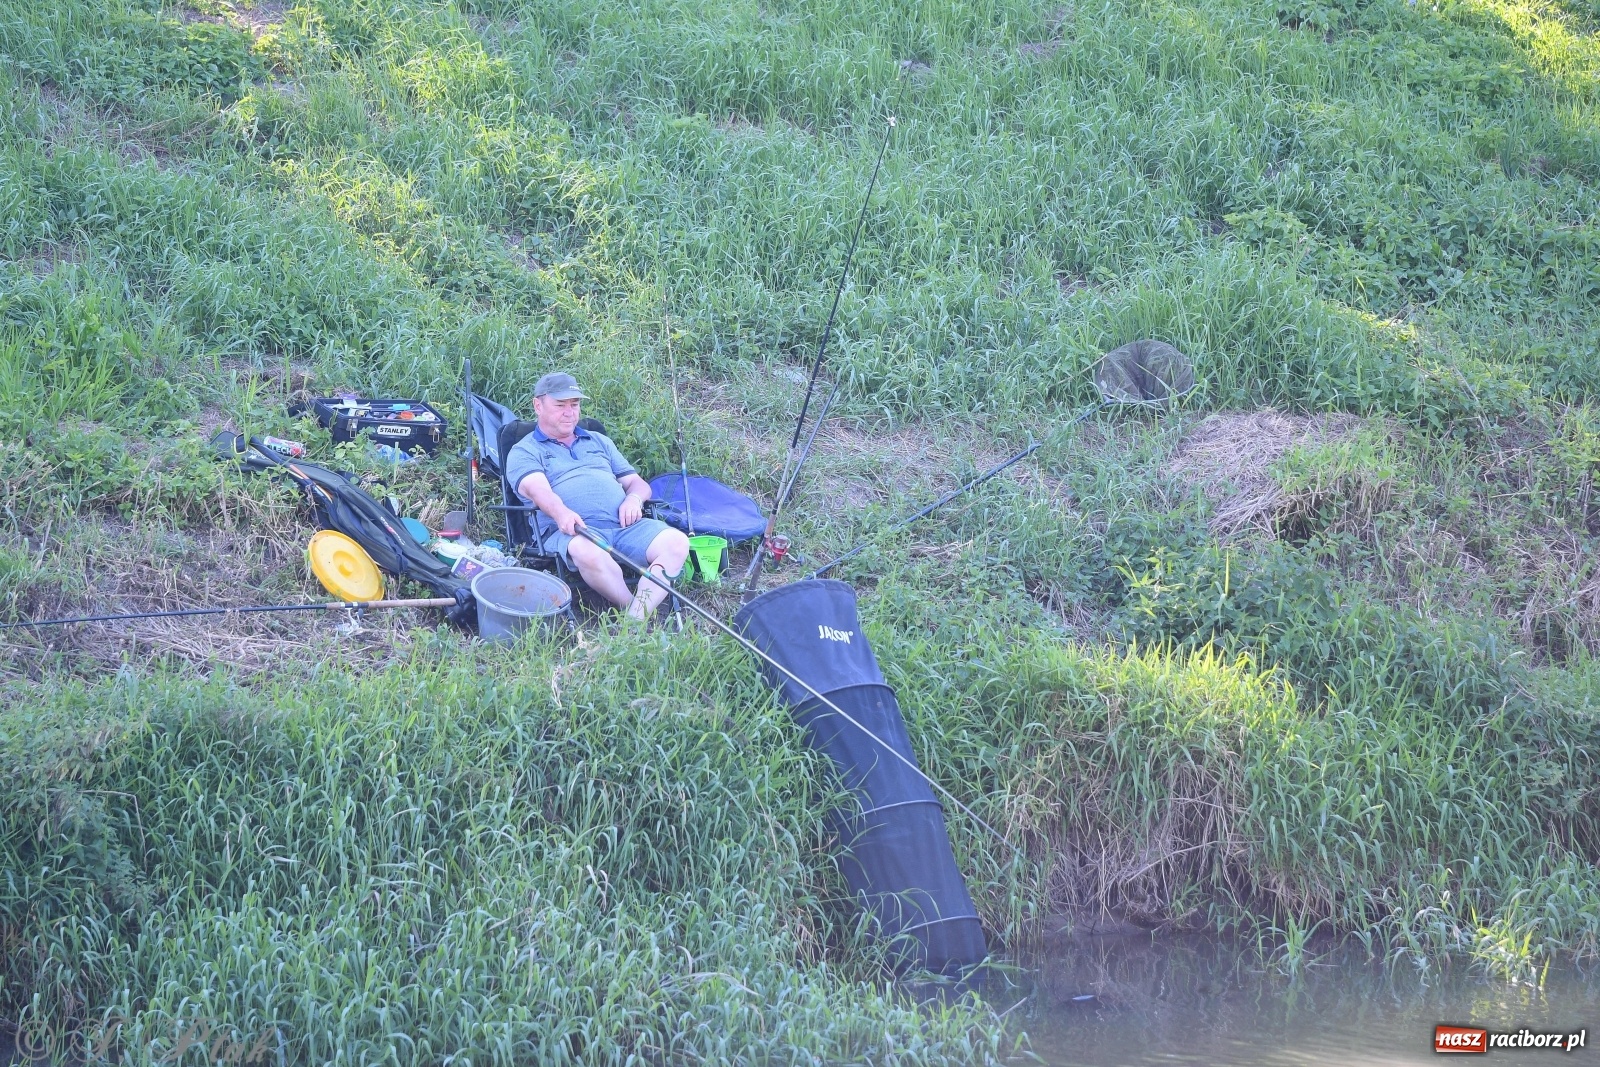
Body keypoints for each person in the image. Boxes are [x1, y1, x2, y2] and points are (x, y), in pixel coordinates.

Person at [506, 372, 689, 620]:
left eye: (575, 404)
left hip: (625, 527)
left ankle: (636, 618)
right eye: (560, 405)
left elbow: (637, 483)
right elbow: (538, 491)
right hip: (573, 532)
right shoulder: (525, 450)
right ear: (538, 405)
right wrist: (562, 513)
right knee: (587, 551)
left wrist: (633, 499)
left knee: (677, 543)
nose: (570, 412)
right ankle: (633, 612)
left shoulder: (599, 441)